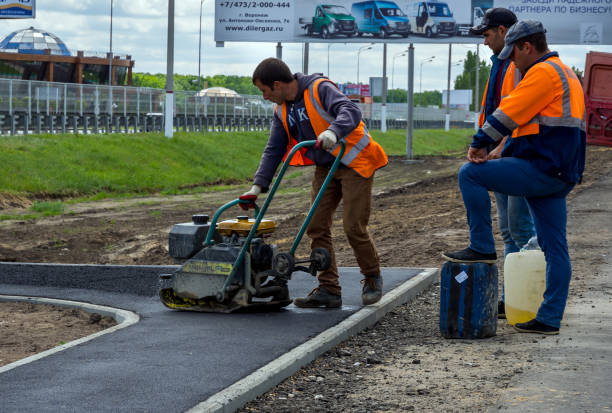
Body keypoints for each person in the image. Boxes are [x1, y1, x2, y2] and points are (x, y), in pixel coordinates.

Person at [442, 21, 586, 335]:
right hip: (561, 172)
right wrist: (504, 150)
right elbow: (532, 124)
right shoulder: (566, 73)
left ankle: (481, 245)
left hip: (542, 169)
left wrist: (480, 143)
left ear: (527, 47)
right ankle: (549, 319)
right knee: (555, 249)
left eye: (514, 53)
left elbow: (510, 112)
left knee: (470, 174)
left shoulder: (543, 72)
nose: (512, 61)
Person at [243, 57, 388, 308]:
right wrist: (257, 187)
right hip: (327, 166)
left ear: (277, 84)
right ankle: (329, 288)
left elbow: (350, 110)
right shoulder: (281, 110)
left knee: (353, 226)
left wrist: (333, 131)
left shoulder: (319, 88)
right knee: (316, 225)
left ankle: (372, 276)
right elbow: (273, 149)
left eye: (264, 91)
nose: (264, 97)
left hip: (356, 162)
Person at [470, 7, 536, 319]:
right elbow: (494, 110)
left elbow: (521, 111)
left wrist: (502, 145)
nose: (484, 42)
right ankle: (513, 297)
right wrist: (484, 145)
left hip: (515, 156)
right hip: (499, 156)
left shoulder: (518, 65)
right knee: (509, 230)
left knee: (522, 229)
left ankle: (531, 297)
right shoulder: (500, 65)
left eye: (486, 35)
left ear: (501, 30)